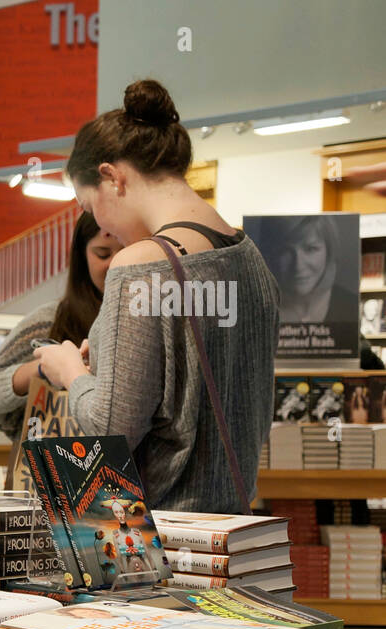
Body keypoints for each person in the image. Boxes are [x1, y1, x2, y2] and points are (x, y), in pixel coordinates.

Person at [34, 79, 280, 513]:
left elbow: (111, 430)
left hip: (166, 535)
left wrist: (71, 372)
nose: (104, 227)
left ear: (111, 177)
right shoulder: (251, 258)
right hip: (234, 524)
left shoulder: (141, 267)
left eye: (91, 208)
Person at [0, 212, 121, 438]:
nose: (115, 264)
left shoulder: (149, 320)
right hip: (46, 468)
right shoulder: (50, 320)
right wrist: (44, 368)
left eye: (127, 251)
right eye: (103, 254)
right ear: (82, 257)